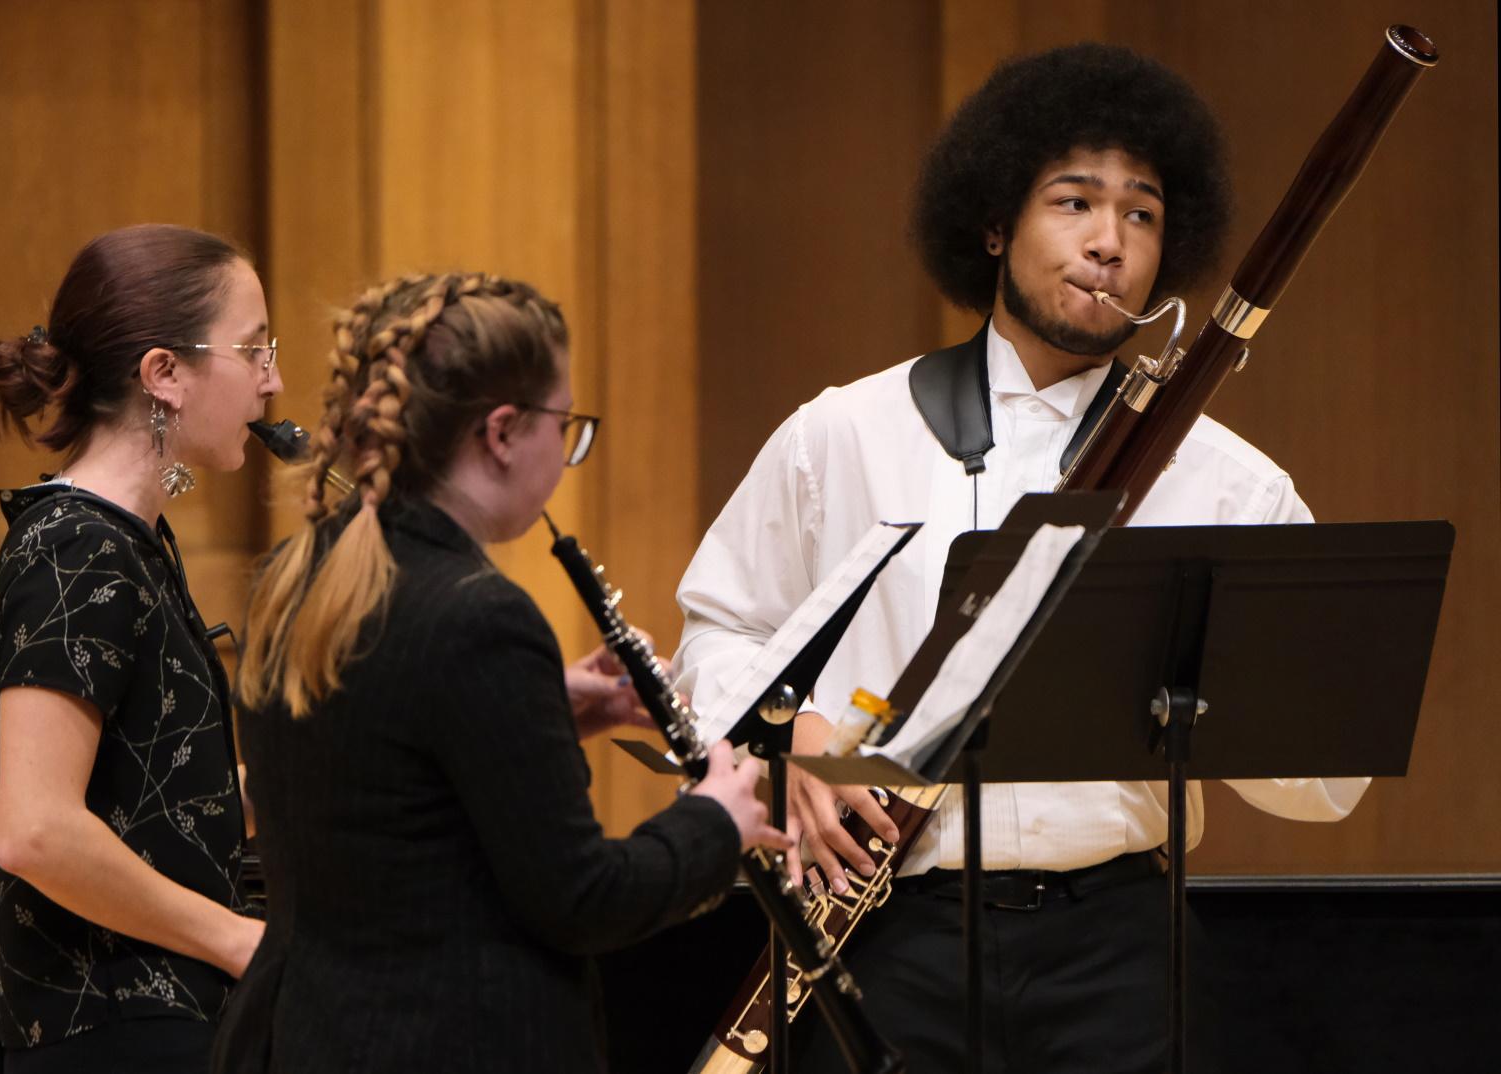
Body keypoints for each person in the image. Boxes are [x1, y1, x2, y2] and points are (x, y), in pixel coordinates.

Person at [673, 43, 1371, 1074]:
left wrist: (1199, 692)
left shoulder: (1229, 483)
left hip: (1122, 948)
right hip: (889, 934)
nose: (1108, 241)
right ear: (995, 224)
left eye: (1140, 213)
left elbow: (1328, 775)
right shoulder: (843, 435)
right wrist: (792, 740)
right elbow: (718, 632)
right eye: (1074, 202)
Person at [212, 271, 788, 1073]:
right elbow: (583, 900)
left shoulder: (299, 576)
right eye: (567, 424)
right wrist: (713, 823)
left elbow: (384, 765)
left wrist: (541, 710)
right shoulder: (480, 618)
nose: (568, 448)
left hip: (312, 1038)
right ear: (505, 431)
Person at [0, 224, 279, 1071]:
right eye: (254, 350)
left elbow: (160, 802)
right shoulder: (77, 548)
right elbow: (36, 831)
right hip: (114, 1031)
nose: (273, 382)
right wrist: (233, 938)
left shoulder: (129, 540)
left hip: (154, 1022)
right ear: (165, 374)